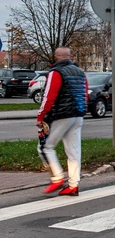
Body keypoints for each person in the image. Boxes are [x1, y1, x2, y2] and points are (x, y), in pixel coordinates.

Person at [36, 47, 88, 196]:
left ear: (56, 57)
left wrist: (41, 116)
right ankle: (73, 185)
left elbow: (49, 97)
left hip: (62, 114)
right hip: (78, 114)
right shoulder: (80, 72)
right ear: (70, 56)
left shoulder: (56, 73)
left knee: (46, 146)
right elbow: (85, 93)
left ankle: (57, 177)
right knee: (74, 151)